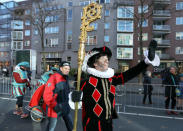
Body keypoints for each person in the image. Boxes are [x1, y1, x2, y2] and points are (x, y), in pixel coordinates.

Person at [72, 40, 160, 131]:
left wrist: (145, 62)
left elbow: (131, 72)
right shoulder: (86, 82)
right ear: (95, 63)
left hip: (108, 124)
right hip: (92, 125)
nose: (107, 60)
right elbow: (75, 102)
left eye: (107, 59)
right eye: (103, 58)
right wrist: (75, 97)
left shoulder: (112, 79)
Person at [43, 61, 73, 131]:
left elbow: (66, 92)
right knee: (51, 128)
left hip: (65, 106)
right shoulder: (54, 77)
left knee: (71, 126)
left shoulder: (65, 77)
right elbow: (47, 95)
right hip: (55, 108)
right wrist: (55, 106)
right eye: (65, 68)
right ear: (61, 68)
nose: (67, 70)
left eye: (68, 69)